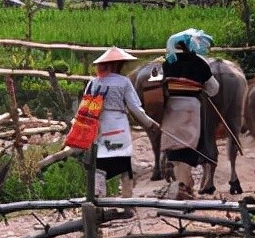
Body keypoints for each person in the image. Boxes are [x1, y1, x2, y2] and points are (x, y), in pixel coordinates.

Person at [87, 47, 160, 202]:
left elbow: (86, 107)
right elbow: (135, 108)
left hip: (99, 126)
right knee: (124, 164)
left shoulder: (93, 83)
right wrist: (150, 123)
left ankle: (98, 199)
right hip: (118, 125)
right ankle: (127, 200)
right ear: (118, 65)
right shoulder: (123, 82)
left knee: (100, 162)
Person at [157, 28, 220, 200]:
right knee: (187, 146)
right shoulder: (200, 63)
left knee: (174, 146)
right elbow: (214, 89)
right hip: (191, 109)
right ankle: (184, 186)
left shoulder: (168, 63)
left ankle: (181, 182)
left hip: (171, 109)